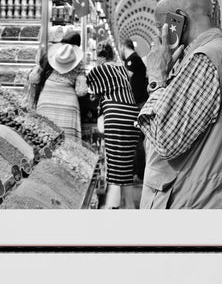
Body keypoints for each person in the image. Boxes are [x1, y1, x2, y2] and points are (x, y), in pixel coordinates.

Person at [138, 0, 222, 209]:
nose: (159, 36)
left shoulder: (205, 59)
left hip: (196, 201)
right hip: (212, 198)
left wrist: (156, 78)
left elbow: (165, 140)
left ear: (177, 20)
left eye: (160, 27)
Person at [87, 44, 140, 209]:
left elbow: (87, 89)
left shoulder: (100, 70)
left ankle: (112, 205)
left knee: (115, 165)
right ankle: (130, 205)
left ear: (101, 58)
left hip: (116, 116)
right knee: (125, 164)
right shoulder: (122, 69)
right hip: (132, 114)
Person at [28, 32, 88, 140]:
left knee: (44, 138)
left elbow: (33, 79)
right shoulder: (79, 64)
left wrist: (37, 65)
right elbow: (81, 91)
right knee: (67, 142)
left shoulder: (48, 57)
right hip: (68, 106)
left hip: (46, 101)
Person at [120, 37, 149, 182]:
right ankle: (138, 172)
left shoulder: (133, 59)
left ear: (124, 47)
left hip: (138, 104)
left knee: (136, 140)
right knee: (137, 139)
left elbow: (125, 78)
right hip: (139, 102)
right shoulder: (134, 58)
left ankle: (140, 173)